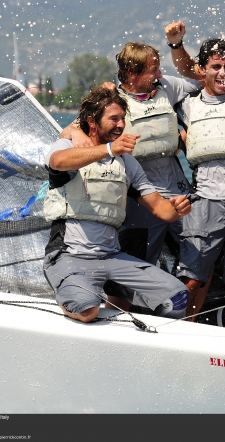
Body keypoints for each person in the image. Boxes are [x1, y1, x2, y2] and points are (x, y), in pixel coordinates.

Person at [42, 87, 191, 322]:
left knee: (176, 298)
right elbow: (57, 162)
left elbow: (160, 208)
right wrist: (108, 149)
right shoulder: (67, 147)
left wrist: (177, 208)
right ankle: (70, 297)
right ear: (92, 122)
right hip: (69, 255)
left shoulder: (128, 164)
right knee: (87, 309)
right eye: (114, 119)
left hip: (112, 258)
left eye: (123, 119)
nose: (121, 125)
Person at [165, 37, 225, 321]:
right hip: (204, 201)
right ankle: (183, 330)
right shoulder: (187, 105)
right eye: (216, 66)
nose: (223, 72)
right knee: (193, 278)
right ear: (202, 70)